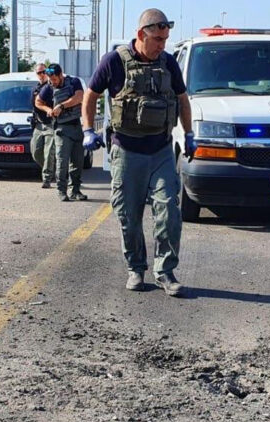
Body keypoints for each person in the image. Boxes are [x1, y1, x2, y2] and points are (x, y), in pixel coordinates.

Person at [81, 8, 196, 297]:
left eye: (165, 39)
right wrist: (87, 129)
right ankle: (135, 267)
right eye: (157, 39)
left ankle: (166, 271)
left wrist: (190, 133)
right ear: (140, 35)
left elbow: (182, 100)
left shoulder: (168, 63)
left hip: (160, 150)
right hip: (127, 151)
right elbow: (90, 94)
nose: (162, 45)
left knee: (169, 209)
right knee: (129, 215)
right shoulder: (114, 62)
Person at [35, 63, 87, 201]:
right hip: (61, 129)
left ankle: (75, 190)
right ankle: (61, 191)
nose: (53, 82)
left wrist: (61, 106)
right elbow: (38, 102)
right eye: (51, 80)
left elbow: (79, 97)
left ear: (60, 74)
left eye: (55, 79)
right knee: (62, 162)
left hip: (76, 127)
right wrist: (48, 110)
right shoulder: (48, 87)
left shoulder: (74, 82)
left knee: (77, 162)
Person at [30, 64, 57, 189]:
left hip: (51, 123)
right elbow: (34, 107)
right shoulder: (36, 89)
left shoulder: (53, 87)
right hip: (39, 124)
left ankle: (47, 178)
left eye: (43, 72)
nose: (41, 75)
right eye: (38, 73)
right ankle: (53, 168)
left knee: (48, 152)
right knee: (35, 151)